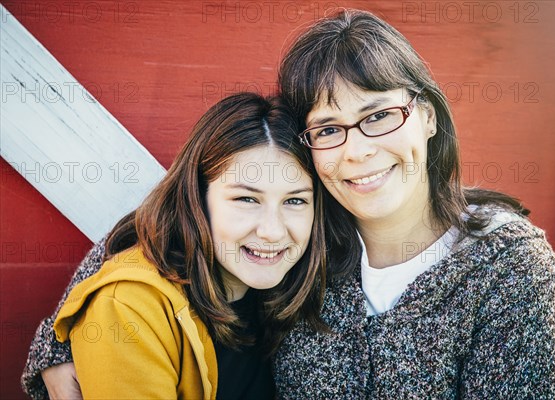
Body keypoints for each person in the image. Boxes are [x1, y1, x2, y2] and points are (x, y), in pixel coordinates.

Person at [22, 9, 555, 399]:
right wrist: (59, 340)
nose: (357, 152)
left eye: (378, 115)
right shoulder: (308, 238)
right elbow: (160, 235)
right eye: (329, 128)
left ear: (426, 116)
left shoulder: (504, 265)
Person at [22, 92, 328, 399]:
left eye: (295, 200)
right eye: (246, 199)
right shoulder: (130, 307)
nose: (272, 231)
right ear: (197, 198)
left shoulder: (301, 288)